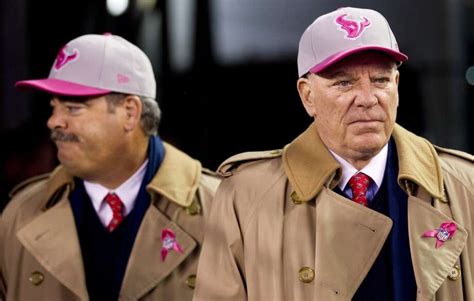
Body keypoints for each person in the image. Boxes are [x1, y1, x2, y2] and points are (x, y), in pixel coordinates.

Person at [194, 7, 473, 301]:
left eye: (380, 80)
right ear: (307, 96)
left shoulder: (465, 186)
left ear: (397, 87)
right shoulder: (244, 197)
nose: (367, 99)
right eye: (344, 83)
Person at [0, 33, 220, 301]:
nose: (54, 121)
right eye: (54, 107)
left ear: (130, 112)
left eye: (72, 108)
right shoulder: (20, 214)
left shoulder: (222, 210)